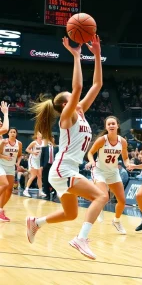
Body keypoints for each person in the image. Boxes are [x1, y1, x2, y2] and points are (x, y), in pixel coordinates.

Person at [26, 35, 108, 260]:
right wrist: (76, 56)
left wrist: (98, 55)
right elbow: (79, 85)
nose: (77, 98)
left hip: (65, 170)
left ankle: (36, 222)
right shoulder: (67, 116)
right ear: (65, 103)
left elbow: (97, 85)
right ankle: (81, 239)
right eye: (72, 97)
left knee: (71, 214)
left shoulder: (80, 113)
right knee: (101, 197)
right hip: (63, 170)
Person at [87, 116, 130, 235]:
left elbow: (125, 158)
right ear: (106, 127)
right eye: (109, 124)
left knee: (122, 200)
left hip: (113, 172)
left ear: (117, 125)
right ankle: (100, 206)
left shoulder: (123, 142)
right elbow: (90, 153)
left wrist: (128, 164)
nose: (111, 125)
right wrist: (91, 162)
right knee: (104, 196)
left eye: (113, 123)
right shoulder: (102, 140)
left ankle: (116, 221)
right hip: (99, 170)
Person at [0, 126, 22, 222]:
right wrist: (5, 157)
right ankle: (0, 211)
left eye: (14, 132)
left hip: (11, 167)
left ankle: (0, 209)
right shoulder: (3, 142)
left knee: (9, 189)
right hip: (2, 165)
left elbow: (20, 155)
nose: (13, 133)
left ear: (16, 134)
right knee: (5, 185)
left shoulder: (19, 144)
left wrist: (18, 163)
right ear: (8, 133)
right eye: (11, 132)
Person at [23, 132, 46, 198]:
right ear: (37, 136)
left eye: (41, 134)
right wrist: (33, 152)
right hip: (32, 160)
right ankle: (26, 190)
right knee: (33, 176)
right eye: (39, 134)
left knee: (39, 176)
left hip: (39, 161)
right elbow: (27, 149)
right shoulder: (34, 143)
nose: (40, 135)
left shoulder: (43, 142)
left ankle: (40, 191)